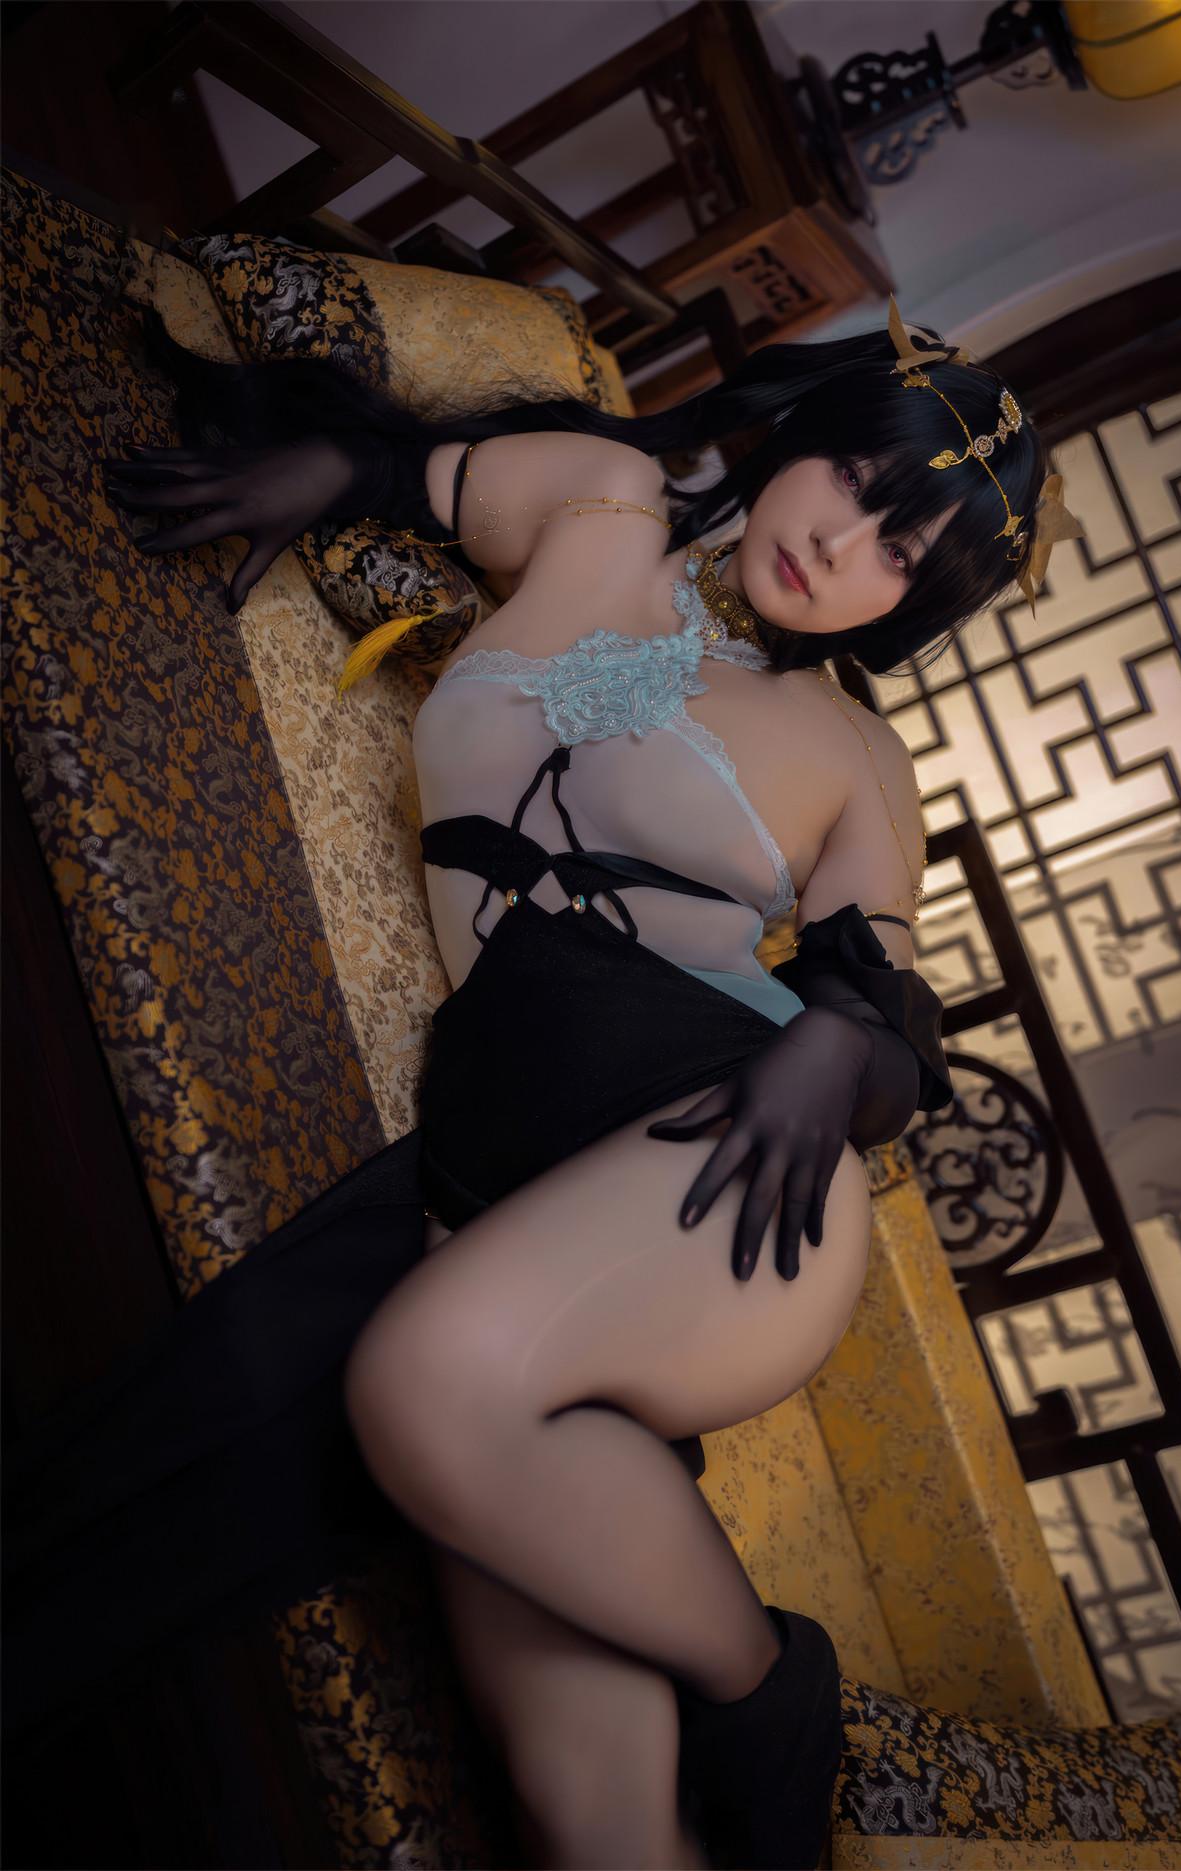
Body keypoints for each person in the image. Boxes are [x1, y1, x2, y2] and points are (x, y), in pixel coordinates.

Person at [5, 292, 1081, 1870]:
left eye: (898, 554)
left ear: (910, 604)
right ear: (805, 436)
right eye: (855, 481)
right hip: (504, 1154)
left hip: (720, 1149)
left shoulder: (863, 764)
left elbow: (881, 1002)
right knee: (590, 1819)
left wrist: (835, 1050)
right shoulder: (603, 503)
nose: (839, 544)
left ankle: (769, 1693)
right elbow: (412, 474)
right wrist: (324, 471)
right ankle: (736, 1724)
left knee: (419, 1383)